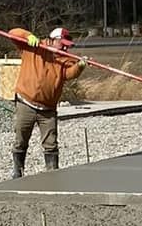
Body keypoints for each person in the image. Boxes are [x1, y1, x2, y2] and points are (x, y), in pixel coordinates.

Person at [10, 25, 86, 177]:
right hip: (26, 102)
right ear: (53, 40)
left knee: (51, 144)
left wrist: (79, 66)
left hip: (48, 110)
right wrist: (28, 35)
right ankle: (18, 171)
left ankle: (52, 173)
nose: (65, 47)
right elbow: (13, 34)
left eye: (67, 45)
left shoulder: (65, 58)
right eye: (62, 43)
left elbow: (68, 74)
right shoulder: (34, 47)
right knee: (21, 139)